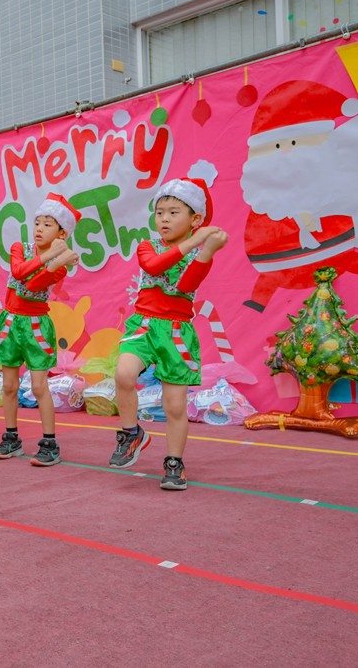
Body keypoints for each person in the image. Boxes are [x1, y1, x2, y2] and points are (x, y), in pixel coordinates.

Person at [110, 178, 228, 490]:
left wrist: (207, 249)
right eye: (160, 212)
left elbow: (186, 285)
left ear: (195, 219)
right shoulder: (148, 246)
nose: (164, 218)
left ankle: (174, 462)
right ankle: (131, 433)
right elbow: (153, 266)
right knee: (123, 373)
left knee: (174, 406)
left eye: (174, 212)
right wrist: (195, 242)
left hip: (177, 332)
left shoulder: (197, 254)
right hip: (144, 325)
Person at [0, 194, 80, 465]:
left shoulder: (60, 267)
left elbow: (32, 286)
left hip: (36, 326)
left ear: (62, 233)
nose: (39, 229)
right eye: (37, 223)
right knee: (8, 385)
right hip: (10, 322)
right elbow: (19, 272)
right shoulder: (20, 248)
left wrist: (55, 262)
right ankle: (11, 438)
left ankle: (50, 443)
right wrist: (52, 256)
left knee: (40, 386)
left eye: (47, 224)